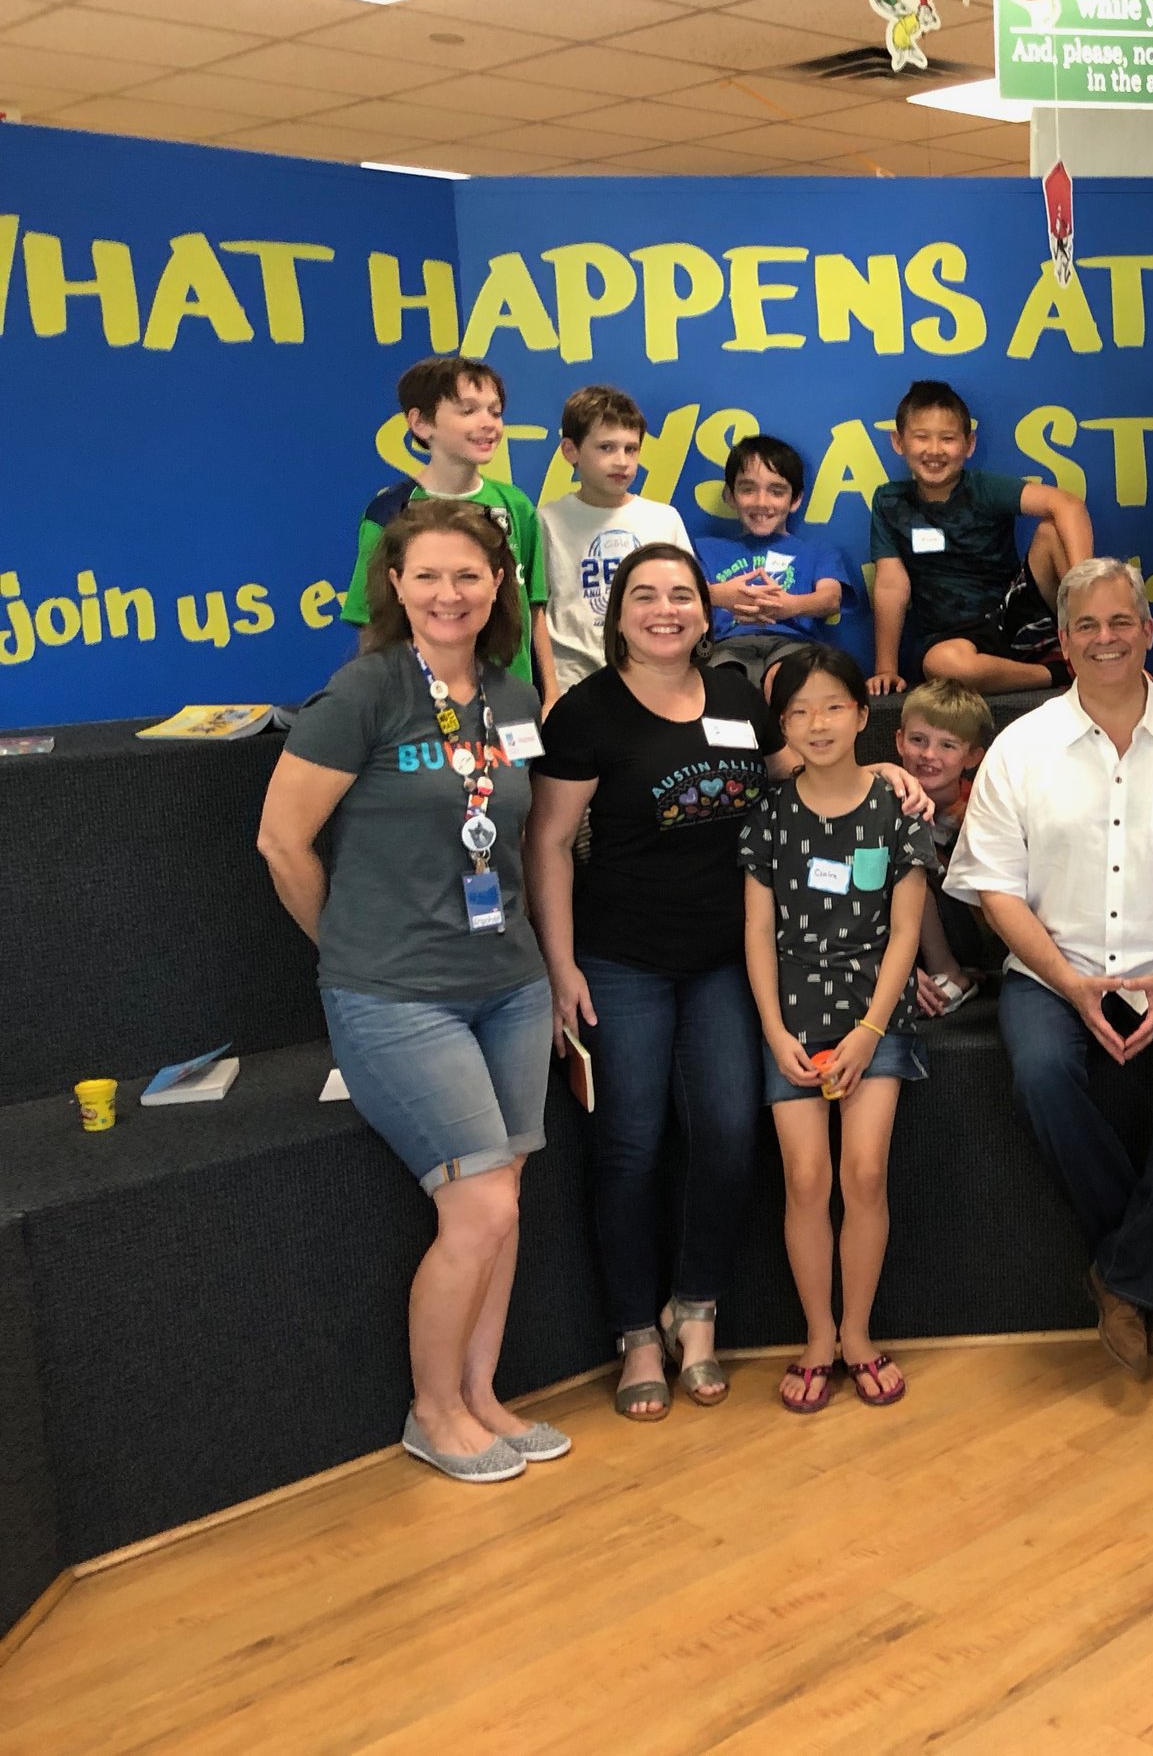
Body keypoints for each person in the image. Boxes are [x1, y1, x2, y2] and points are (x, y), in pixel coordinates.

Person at [258, 499, 565, 1484]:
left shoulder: (515, 701)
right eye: (427, 575)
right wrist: (350, 946)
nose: (448, 593)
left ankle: (480, 1397)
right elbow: (281, 842)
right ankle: (432, 1412)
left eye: (468, 575)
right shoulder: (364, 692)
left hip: (508, 984)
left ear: (498, 586)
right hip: (396, 995)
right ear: (395, 585)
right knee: (476, 1211)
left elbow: (516, 840)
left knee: (504, 1205)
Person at [945, 558, 1153, 1376]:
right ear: (1062, 641)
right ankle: (1145, 1271)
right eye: (1087, 626)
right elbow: (995, 890)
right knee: (1042, 1075)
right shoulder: (1020, 750)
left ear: (1148, 631)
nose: (1105, 638)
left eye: (1120, 621)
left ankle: (1122, 1273)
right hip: (1053, 970)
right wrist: (1067, 980)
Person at [527, 543, 782, 1422]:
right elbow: (550, 842)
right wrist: (560, 966)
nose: (665, 608)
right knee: (629, 1148)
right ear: (619, 613)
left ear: (708, 614)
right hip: (618, 960)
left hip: (723, 961)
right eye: (646, 595)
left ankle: (697, 1312)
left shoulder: (743, 698)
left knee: (726, 1134)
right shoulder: (588, 712)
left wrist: (884, 774)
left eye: (682, 594)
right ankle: (637, 1330)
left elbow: (786, 776)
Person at [741, 648, 939, 1412]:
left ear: (863, 713)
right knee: (805, 1178)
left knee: (862, 1172)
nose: (816, 723)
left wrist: (868, 1030)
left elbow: (904, 933)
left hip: (874, 1014)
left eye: (831, 706)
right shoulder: (769, 816)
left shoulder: (900, 809)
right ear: (781, 726)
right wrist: (771, 1025)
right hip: (788, 1015)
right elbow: (759, 932)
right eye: (797, 712)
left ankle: (858, 1332)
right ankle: (818, 1335)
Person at [339, 355, 553, 696]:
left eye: (495, 412)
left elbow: (534, 607)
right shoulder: (390, 512)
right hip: (423, 701)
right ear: (422, 423)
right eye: (468, 411)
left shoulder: (516, 505)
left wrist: (550, 694)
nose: (488, 424)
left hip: (510, 700)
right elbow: (373, 622)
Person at [867, 379, 1093, 696]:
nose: (934, 450)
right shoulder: (889, 501)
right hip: (951, 640)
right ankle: (1058, 673)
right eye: (921, 438)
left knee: (1052, 530)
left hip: (1013, 617)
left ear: (969, 444)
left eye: (947, 439)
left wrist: (1088, 600)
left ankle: (1089, 642)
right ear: (898, 441)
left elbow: (1068, 504)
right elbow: (891, 585)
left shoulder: (983, 487)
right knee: (944, 666)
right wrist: (886, 669)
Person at [536, 384, 690, 701]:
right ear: (571, 450)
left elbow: (684, 601)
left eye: (631, 449)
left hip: (652, 678)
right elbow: (536, 610)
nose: (621, 461)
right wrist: (551, 693)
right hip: (573, 681)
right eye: (606, 448)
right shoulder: (546, 521)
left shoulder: (664, 519)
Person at [692, 433, 868, 687]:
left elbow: (831, 598)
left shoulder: (818, 551)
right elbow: (681, 596)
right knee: (724, 682)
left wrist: (790, 605)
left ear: (795, 500)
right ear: (729, 496)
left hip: (793, 645)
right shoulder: (705, 549)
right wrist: (720, 596)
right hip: (726, 646)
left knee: (789, 679)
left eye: (776, 491)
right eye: (748, 489)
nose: (762, 502)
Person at [894, 676, 996, 1016]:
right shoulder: (883, 798)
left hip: (978, 924)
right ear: (899, 741)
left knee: (912, 846)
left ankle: (952, 972)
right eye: (918, 740)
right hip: (896, 935)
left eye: (947, 746)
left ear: (972, 756)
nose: (928, 755)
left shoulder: (984, 806)